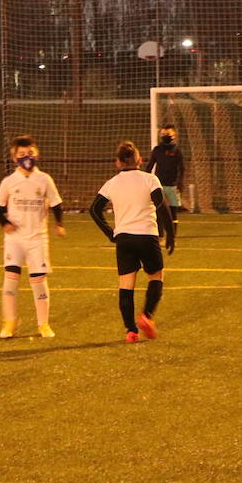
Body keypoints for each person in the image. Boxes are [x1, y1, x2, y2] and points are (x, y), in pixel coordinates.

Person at [90, 141, 176, 343]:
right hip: (147, 236)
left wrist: (111, 234)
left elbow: (94, 210)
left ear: (117, 162)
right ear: (139, 159)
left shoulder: (112, 183)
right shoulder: (149, 179)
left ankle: (131, 331)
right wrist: (170, 234)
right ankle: (146, 316)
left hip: (125, 239)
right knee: (156, 277)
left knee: (126, 286)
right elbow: (161, 206)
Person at [0, 135, 65, 339]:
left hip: (37, 238)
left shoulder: (44, 179)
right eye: (22, 154)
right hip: (15, 238)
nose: (27, 157)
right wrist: (4, 223)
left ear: (37, 154)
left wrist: (59, 224)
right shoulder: (9, 181)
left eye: (30, 153)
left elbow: (56, 204)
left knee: (38, 280)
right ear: (15, 158)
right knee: (10, 280)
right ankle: (10, 322)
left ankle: (43, 324)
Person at [143, 124, 186, 228]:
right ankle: (160, 235)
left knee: (173, 213)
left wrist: (179, 183)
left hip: (172, 186)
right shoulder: (157, 150)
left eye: (167, 134)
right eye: (163, 134)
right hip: (158, 186)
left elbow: (182, 168)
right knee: (158, 212)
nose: (165, 135)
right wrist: (146, 182)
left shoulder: (177, 151)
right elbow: (149, 167)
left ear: (174, 135)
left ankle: (172, 237)